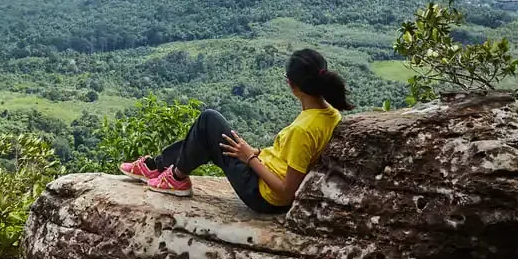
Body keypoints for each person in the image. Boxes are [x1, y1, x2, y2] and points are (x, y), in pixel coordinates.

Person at [119, 48, 353, 213]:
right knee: (209, 135)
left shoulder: (304, 129)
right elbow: (288, 160)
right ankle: (157, 166)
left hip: (263, 196)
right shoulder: (330, 115)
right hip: (263, 170)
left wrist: (249, 158)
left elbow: (285, 192)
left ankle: (174, 176)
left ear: (291, 85)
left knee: (209, 119)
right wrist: (256, 152)